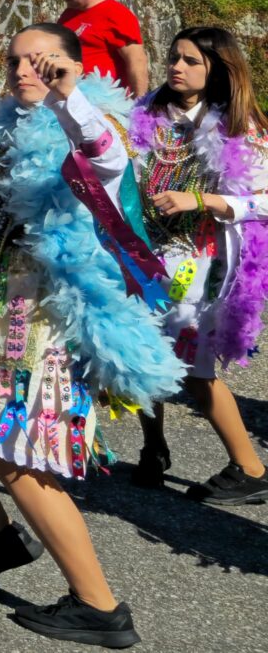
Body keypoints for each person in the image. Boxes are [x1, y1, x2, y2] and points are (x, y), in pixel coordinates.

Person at [0, 23, 180, 648]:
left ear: (71, 67)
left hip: (41, 318)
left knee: (18, 458)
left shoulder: (91, 125)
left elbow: (104, 156)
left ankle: (99, 606)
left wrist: (69, 98)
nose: (25, 71)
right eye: (17, 61)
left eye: (41, 62)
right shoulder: (3, 132)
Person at [123, 25, 268, 503]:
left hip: (204, 263)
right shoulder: (145, 114)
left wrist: (201, 199)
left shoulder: (238, 126)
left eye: (190, 61)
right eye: (173, 58)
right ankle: (153, 449)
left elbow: (264, 200)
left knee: (196, 368)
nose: (176, 68)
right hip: (147, 255)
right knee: (142, 351)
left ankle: (249, 467)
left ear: (216, 71)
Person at [57, 0, 151, 95]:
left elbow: (137, 60)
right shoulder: (69, 13)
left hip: (104, 101)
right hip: (69, 95)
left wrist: (139, 104)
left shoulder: (117, 15)